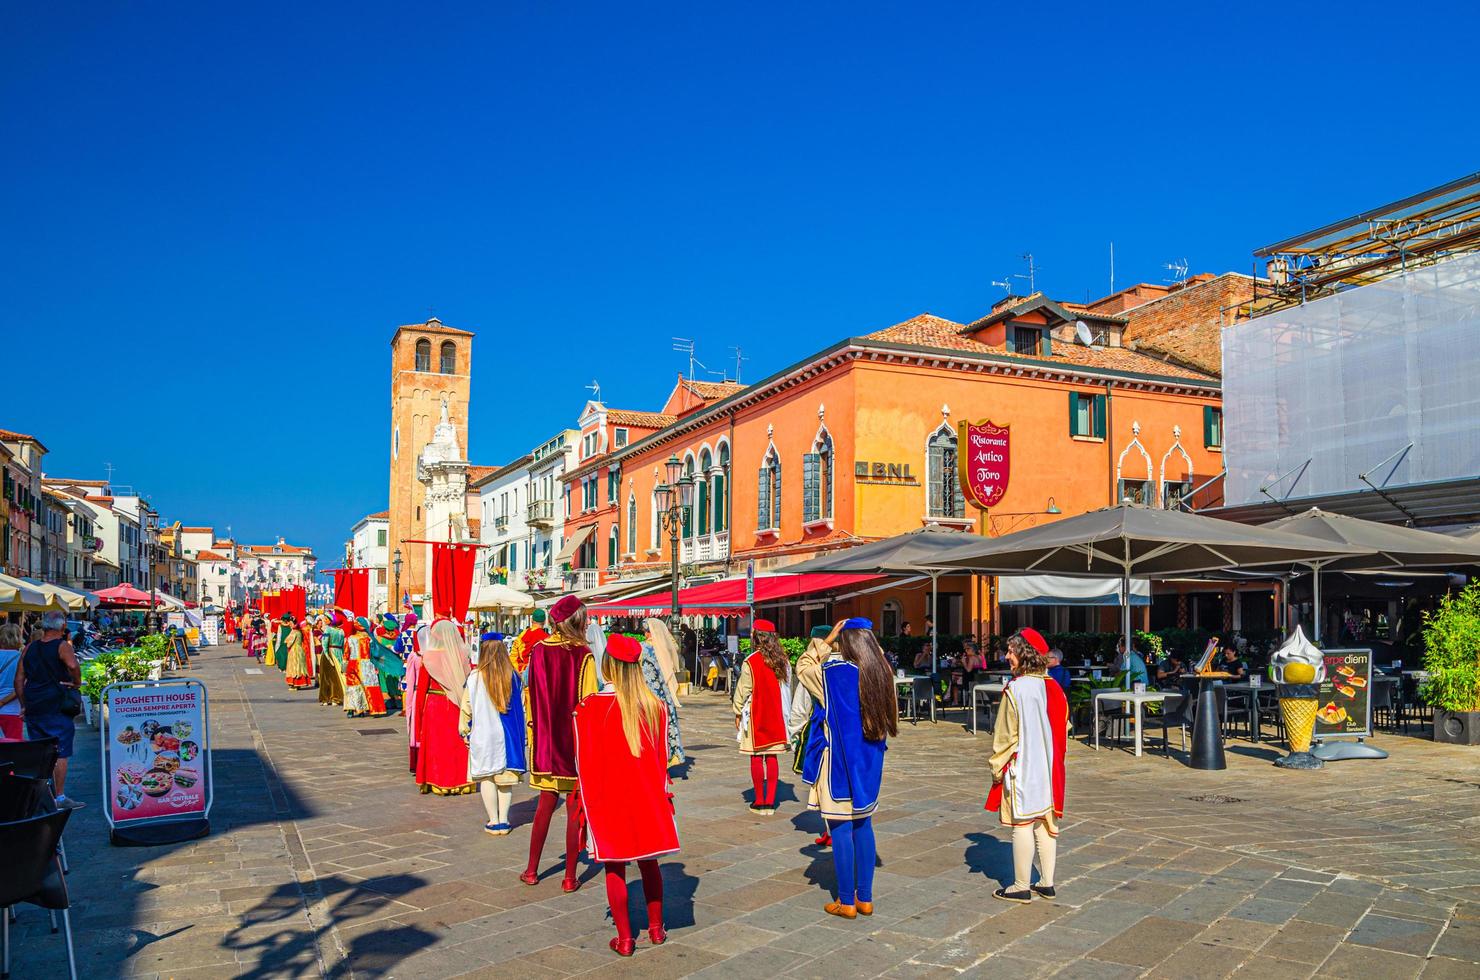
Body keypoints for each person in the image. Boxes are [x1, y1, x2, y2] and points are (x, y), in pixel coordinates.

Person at [574, 633, 679, 957]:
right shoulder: (655, 707)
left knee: (614, 867)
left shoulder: (589, 708)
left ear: (609, 667)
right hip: (647, 797)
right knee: (650, 864)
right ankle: (657, 929)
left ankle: (625, 938)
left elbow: (582, 761)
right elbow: (663, 761)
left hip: (609, 800)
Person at [796, 618, 897, 919]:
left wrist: (826, 641)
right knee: (863, 824)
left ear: (845, 641)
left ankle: (846, 901)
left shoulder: (834, 673)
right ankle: (864, 897)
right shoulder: (882, 673)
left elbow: (803, 666)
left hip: (838, 761)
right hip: (869, 762)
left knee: (840, 827)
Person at [521, 594, 599, 890]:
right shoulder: (583, 655)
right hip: (572, 743)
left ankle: (531, 870)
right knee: (573, 810)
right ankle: (569, 877)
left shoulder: (538, 651)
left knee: (544, 805)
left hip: (545, 740)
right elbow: (589, 703)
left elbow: (531, 695)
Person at [988, 628, 1068, 904]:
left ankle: (1020, 885)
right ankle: (1046, 882)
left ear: (1024, 655)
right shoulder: (1054, 688)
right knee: (1045, 823)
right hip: (1049, 767)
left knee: (1021, 823)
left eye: (1011, 651)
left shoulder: (1016, 689)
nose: (1007, 656)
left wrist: (997, 768)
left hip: (1022, 766)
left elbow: (1004, 736)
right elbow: (1065, 727)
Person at [460, 633, 526, 834]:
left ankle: (493, 820)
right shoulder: (514, 676)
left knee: (487, 778)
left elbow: (466, 707)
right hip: (507, 736)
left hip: (483, 734)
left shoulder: (474, 677)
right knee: (504, 780)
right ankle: (504, 820)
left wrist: (464, 730)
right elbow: (521, 706)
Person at [21, 612, 82, 807]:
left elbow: (18, 679)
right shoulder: (62, 646)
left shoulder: (29, 647)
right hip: (56, 706)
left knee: (41, 751)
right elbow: (72, 665)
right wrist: (76, 683)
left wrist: (24, 703)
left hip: (34, 707)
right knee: (60, 752)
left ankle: (41, 795)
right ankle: (59, 797)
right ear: (62, 627)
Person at [732, 620, 791, 814]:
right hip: (776, 713)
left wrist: (737, 711)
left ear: (758, 636)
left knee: (756, 756)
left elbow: (743, 690)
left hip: (756, 712)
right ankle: (771, 801)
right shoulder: (783, 660)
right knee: (772, 756)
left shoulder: (751, 661)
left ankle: (759, 801)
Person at [412, 620, 474, 796]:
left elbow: (422, 687)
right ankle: (460, 781)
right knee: (456, 743)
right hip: (457, 703)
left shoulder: (428, 657)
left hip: (435, 703)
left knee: (437, 744)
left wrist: (418, 716)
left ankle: (437, 780)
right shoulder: (462, 655)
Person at [789, 625, 834, 848]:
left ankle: (832, 829)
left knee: (821, 782)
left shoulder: (814, 669)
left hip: (819, 732)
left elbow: (800, 706)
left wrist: (794, 733)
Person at [641, 618, 684, 766]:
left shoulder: (643, 648)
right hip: (665, 694)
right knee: (665, 725)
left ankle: (653, 759)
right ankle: (668, 756)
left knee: (650, 729)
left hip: (648, 694)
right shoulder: (665, 647)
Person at [341, 613, 388, 718]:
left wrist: (343, 668)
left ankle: (352, 709)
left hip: (352, 664)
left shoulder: (350, 639)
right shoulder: (369, 640)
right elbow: (375, 654)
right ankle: (375, 709)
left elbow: (346, 655)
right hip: (367, 665)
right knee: (371, 687)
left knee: (353, 687)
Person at [371, 614, 406, 711]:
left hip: (383, 661)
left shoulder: (380, 638)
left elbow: (376, 651)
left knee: (384, 680)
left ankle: (387, 700)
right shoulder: (398, 637)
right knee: (395, 679)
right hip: (395, 661)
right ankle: (397, 699)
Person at [0, 623, 26, 740]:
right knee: (14, 748)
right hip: (13, 710)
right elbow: (22, 685)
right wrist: (2, 702)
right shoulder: (23, 658)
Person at [318, 612, 346, 707]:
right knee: (337, 677)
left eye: (326, 619)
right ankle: (336, 698)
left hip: (329, 652)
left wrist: (327, 656)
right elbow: (343, 645)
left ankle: (326, 698)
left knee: (326, 678)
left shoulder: (327, 630)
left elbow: (324, 644)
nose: (324, 620)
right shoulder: (341, 631)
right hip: (338, 654)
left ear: (331, 620)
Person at [510, 608, 547, 675]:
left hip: (522, 673)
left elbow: (513, 655)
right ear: (544, 622)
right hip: (539, 675)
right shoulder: (547, 638)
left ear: (531, 620)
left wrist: (518, 671)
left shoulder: (522, 635)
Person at [950, 639, 988, 706]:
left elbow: (968, 670)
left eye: (967, 649)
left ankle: (955, 701)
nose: (966, 650)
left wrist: (964, 662)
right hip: (979, 680)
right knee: (955, 677)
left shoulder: (971, 658)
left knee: (954, 683)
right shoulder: (979, 657)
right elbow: (982, 667)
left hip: (970, 682)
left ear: (972, 649)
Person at [283, 614, 314, 690]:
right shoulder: (300, 631)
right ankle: (299, 684)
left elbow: (288, 643)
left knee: (294, 667)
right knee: (300, 667)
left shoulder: (294, 632)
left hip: (294, 651)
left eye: (290, 623)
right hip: (300, 650)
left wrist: (287, 642)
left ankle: (295, 684)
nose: (289, 625)